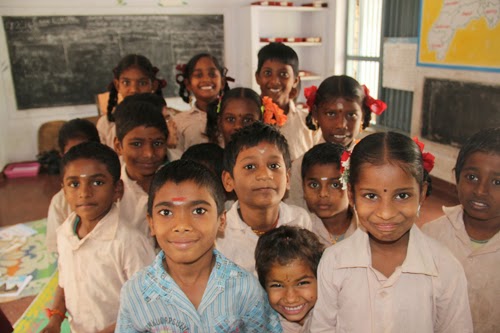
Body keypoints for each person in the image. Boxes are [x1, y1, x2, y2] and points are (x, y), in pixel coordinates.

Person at [309, 131, 473, 332]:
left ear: (421, 194)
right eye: (371, 196)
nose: (386, 213)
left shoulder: (445, 269)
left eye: (402, 195)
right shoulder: (333, 262)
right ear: (351, 196)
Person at [115, 160, 283, 332]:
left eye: (199, 211)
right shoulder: (136, 293)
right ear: (151, 223)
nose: (182, 225)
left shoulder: (245, 289)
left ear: (221, 221)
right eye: (166, 212)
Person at [41, 142, 155, 333]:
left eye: (97, 182)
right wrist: (55, 319)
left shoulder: (129, 242)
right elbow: (65, 282)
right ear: (64, 190)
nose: (85, 193)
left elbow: (147, 305)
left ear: (117, 189)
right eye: (74, 184)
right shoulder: (64, 234)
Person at [422, 127, 500, 333]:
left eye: (497, 182)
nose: (481, 191)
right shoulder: (431, 235)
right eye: (472, 177)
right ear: (456, 176)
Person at [217, 122, 312, 275]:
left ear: (287, 178)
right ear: (229, 180)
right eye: (250, 167)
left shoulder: (300, 221)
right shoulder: (220, 234)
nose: (264, 175)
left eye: (274, 166)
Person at [286, 75, 387, 209]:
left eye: (351, 115)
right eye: (331, 114)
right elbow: (295, 220)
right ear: (316, 113)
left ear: (362, 114)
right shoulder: (300, 168)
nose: (341, 124)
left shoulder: (373, 166)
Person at [113, 94, 169, 240]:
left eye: (157, 143)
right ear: (118, 146)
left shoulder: (177, 183)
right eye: (136, 144)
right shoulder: (110, 191)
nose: (149, 154)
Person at [255, 42, 321, 161]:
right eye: (267, 73)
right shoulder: (249, 117)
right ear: (257, 77)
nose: (275, 81)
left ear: (295, 80)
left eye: (283, 74)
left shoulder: (309, 123)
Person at [255, 226, 324, 333]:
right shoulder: (259, 326)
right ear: (264, 287)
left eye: (302, 283)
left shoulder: (334, 317)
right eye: (277, 285)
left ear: (320, 279)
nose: (291, 298)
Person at [46, 118, 100, 253]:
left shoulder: (113, 191)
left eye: (86, 151)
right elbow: (55, 247)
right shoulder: (59, 201)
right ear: (62, 156)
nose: (80, 160)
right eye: (72, 153)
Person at [95, 54, 169, 149]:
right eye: (126, 83)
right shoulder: (106, 124)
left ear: (153, 86)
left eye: (142, 83)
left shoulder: (169, 120)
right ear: (117, 85)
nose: (134, 89)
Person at [170, 53, 231, 159]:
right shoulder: (179, 122)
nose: (206, 79)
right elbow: (176, 159)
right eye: (198, 75)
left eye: (212, 74)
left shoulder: (232, 118)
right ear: (188, 84)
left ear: (222, 82)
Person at [301, 142, 357, 247]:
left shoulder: (366, 231)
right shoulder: (300, 232)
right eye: (314, 185)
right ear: (303, 187)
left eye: (335, 185)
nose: (323, 194)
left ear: (351, 188)